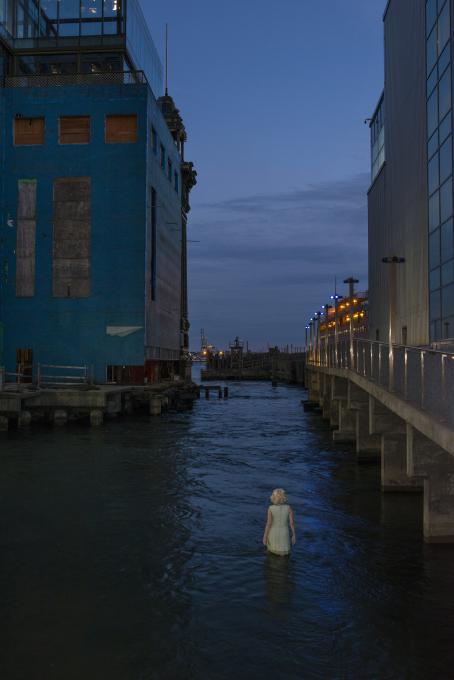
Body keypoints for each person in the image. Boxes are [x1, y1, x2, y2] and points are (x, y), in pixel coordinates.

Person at [262, 488, 296, 556]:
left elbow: (269, 524)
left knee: (271, 552)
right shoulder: (289, 508)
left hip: (273, 533)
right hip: (284, 534)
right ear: (284, 497)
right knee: (284, 555)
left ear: (273, 498)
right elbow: (291, 523)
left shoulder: (270, 508)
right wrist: (294, 535)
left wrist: (265, 536)